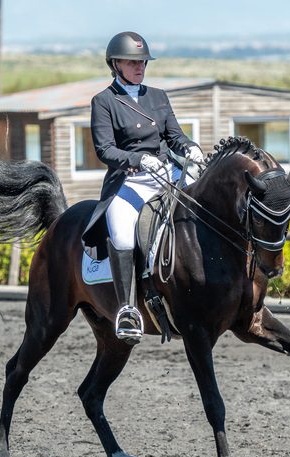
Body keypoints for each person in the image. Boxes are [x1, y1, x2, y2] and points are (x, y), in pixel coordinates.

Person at [82, 31, 204, 343]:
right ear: (116, 64)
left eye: (143, 62)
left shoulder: (158, 96)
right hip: (129, 180)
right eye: (132, 62)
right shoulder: (105, 101)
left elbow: (174, 136)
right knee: (122, 228)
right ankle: (127, 309)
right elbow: (105, 150)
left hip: (167, 172)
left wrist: (191, 148)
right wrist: (137, 159)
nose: (140, 67)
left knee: (207, 202)